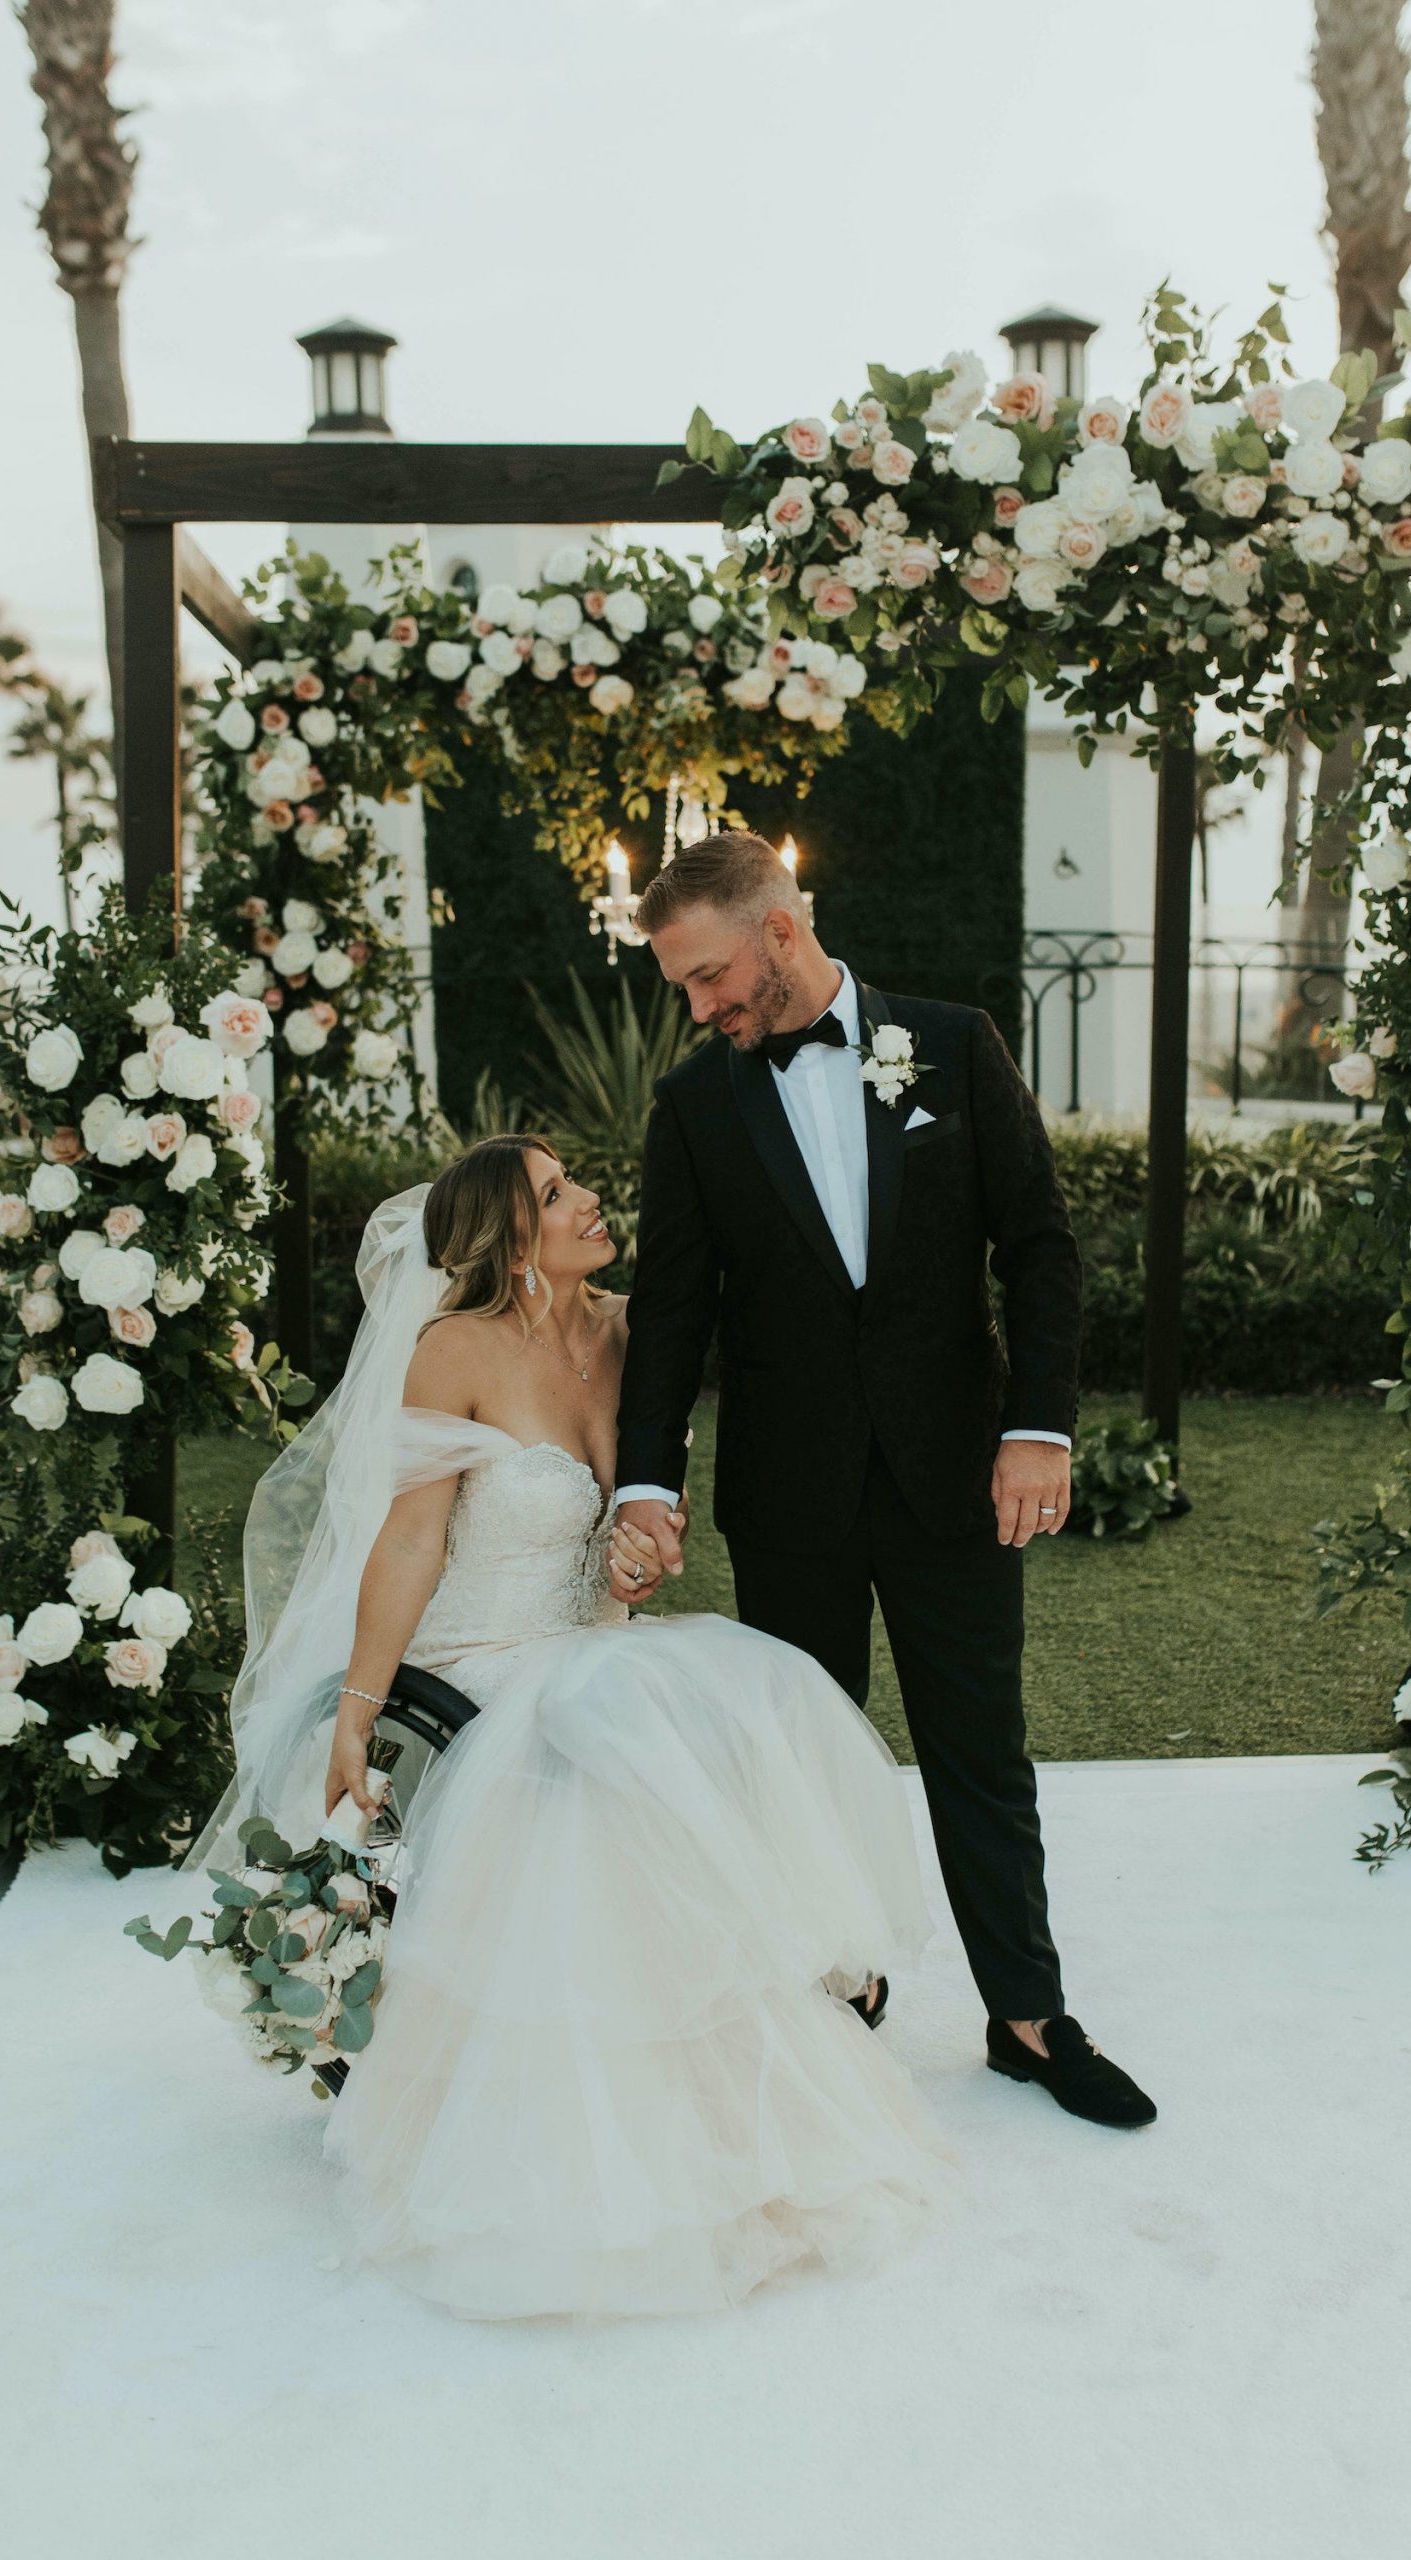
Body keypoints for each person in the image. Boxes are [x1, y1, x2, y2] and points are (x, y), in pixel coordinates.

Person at [204, 1137, 962, 2322]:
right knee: (619, 1771)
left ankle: (727, 2096)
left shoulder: (627, 1329)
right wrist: (357, 1709)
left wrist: (642, 1551)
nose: (590, 1198)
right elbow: (408, 1542)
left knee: (758, 1701)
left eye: (574, 1182)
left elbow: (650, 1507)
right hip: (485, 1657)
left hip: (597, 1646)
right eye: (557, 1194)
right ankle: (587, 2128)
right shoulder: (451, 1350)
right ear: (512, 1240)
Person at [607, 830, 1155, 2132]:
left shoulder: (948, 1044)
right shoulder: (693, 1103)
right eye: (682, 988)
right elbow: (674, 1310)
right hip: (787, 1493)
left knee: (978, 1754)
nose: (695, 1008)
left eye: (702, 976)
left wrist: (1037, 1428)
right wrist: (642, 1481)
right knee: (804, 1758)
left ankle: (1026, 2019)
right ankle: (835, 1987)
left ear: (778, 934)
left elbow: (1036, 1250)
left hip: (952, 1475)